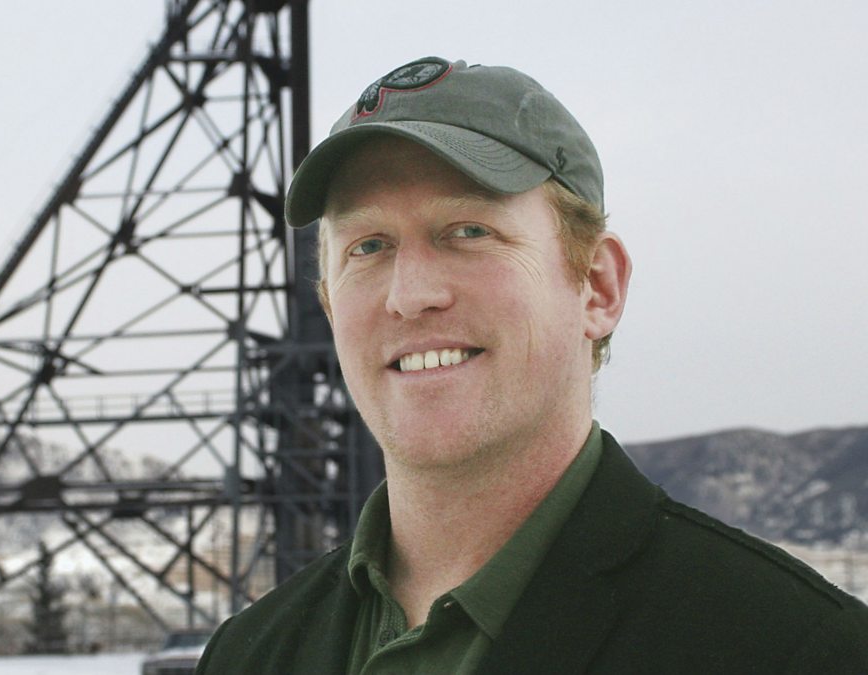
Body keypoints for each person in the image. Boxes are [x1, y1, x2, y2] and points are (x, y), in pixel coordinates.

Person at [196, 57, 868, 673]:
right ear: (329, 306)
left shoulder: (797, 650)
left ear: (597, 287)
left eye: (469, 231)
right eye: (368, 246)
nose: (410, 294)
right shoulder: (246, 655)